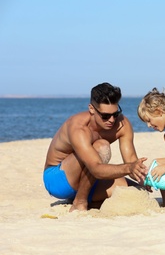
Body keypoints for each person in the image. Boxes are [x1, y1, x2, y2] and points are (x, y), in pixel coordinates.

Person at [43, 82, 148, 212]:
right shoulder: (79, 128)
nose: (111, 120)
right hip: (58, 180)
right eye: (105, 116)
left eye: (115, 114)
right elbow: (96, 168)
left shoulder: (122, 124)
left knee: (138, 192)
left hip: (90, 180)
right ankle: (79, 202)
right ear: (92, 109)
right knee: (101, 146)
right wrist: (129, 168)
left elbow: (131, 161)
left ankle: (86, 199)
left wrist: (144, 177)